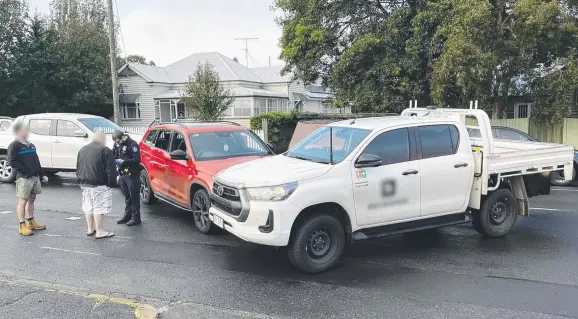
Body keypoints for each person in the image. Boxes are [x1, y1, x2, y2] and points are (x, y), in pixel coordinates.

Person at [7, 121, 48, 236]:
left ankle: (31, 222)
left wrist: (42, 174)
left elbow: (36, 161)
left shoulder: (30, 145)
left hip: (34, 177)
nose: (28, 132)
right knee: (23, 201)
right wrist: (26, 171)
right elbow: (12, 161)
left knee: (32, 200)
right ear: (20, 131)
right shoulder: (14, 145)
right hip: (24, 178)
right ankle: (22, 225)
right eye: (25, 129)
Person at [77, 132, 117, 239]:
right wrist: (111, 183)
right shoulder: (105, 150)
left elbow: (78, 166)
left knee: (88, 207)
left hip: (85, 183)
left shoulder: (83, 149)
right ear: (102, 139)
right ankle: (100, 231)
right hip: (99, 183)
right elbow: (111, 169)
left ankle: (90, 229)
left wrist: (80, 180)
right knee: (99, 208)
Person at [112, 130, 142, 226]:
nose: (116, 143)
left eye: (117, 141)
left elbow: (137, 159)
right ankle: (127, 216)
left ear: (122, 137)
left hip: (132, 173)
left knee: (134, 196)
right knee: (127, 196)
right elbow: (114, 154)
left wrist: (123, 161)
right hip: (122, 173)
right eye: (115, 142)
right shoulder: (117, 145)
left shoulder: (132, 145)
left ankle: (136, 218)